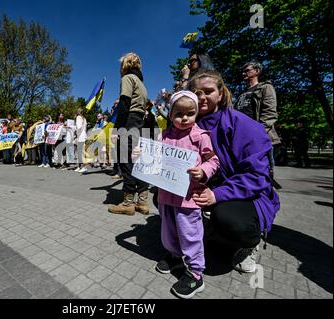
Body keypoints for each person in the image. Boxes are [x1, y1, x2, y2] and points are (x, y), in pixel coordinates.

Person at [185, 69, 280, 275]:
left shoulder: (244, 124)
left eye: (208, 91)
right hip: (207, 185)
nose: (201, 97)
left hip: (248, 193)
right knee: (163, 196)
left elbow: (258, 177)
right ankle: (203, 229)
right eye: (195, 92)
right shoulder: (187, 126)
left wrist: (216, 195)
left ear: (220, 94)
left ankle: (250, 242)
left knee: (228, 218)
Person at [149, 91, 220, 299]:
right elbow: (153, 158)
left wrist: (204, 171)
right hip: (165, 195)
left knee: (190, 234)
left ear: (196, 113)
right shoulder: (164, 136)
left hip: (188, 198)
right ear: (170, 115)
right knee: (168, 231)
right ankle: (175, 255)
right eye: (179, 114)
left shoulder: (200, 136)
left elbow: (213, 160)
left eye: (190, 113)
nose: (184, 118)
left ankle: (196, 273)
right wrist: (141, 154)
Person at [108, 52, 150, 215]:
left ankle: (128, 203)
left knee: (126, 161)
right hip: (139, 122)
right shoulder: (142, 83)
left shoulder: (127, 78)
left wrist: (117, 129)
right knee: (137, 160)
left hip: (128, 121)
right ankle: (143, 202)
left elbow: (124, 104)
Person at [234, 62, 281, 180]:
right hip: (241, 138)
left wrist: (258, 133)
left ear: (257, 71)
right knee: (245, 172)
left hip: (259, 138)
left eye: (247, 70)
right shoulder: (242, 94)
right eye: (243, 70)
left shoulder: (265, 87)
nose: (243, 72)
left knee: (263, 173)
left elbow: (270, 113)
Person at [74, 108, 88, 173]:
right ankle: (79, 166)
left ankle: (84, 167)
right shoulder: (84, 118)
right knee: (80, 152)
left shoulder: (78, 117)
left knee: (81, 153)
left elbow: (78, 127)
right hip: (83, 136)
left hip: (81, 137)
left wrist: (71, 127)